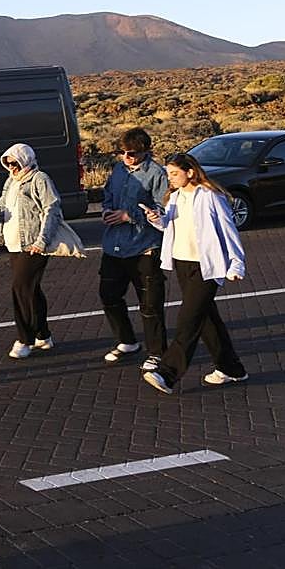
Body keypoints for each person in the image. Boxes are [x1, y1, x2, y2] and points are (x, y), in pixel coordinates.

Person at [141, 152, 248, 394]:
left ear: (190, 172)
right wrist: (157, 219)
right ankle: (232, 369)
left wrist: (236, 264)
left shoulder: (212, 197)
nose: (171, 178)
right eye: (169, 174)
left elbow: (229, 231)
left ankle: (168, 374)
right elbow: (171, 226)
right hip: (182, 263)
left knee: (188, 319)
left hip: (206, 266)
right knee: (207, 319)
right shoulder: (175, 198)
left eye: (175, 173)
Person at [0, 143, 62, 359]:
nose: (12, 167)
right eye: (8, 163)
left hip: (33, 244)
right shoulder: (11, 181)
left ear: (24, 159)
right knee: (31, 289)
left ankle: (24, 340)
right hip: (14, 244)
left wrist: (41, 241)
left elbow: (51, 209)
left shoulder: (39, 179)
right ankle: (43, 335)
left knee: (20, 288)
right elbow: (2, 206)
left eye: (15, 163)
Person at [98, 128, 169, 371]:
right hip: (114, 246)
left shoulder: (157, 173)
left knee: (150, 304)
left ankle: (157, 352)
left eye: (131, 153)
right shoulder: (118, 170)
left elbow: (162, 208)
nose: (126, 157)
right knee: (109, 295)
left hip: (144, 247)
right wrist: (107, 210)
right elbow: (108, 194)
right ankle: (127, 341)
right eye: (122, 152)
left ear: (145, 151)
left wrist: (131, 216)